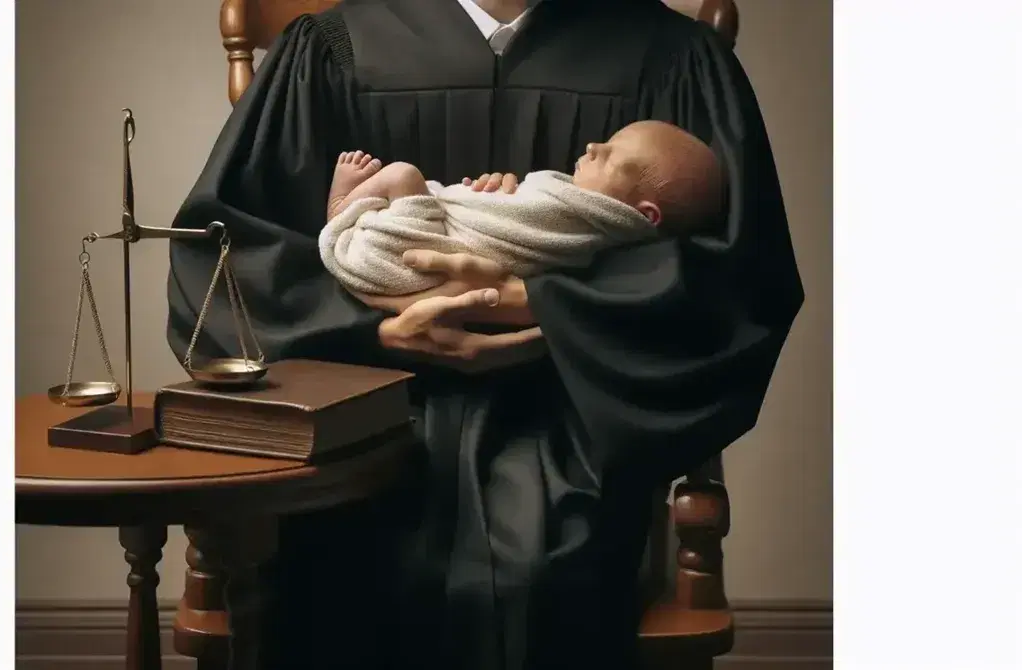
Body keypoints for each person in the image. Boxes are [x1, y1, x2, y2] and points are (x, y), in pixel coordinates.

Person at [165, 0, 804, 668]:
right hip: (360, 409)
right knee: (329, 558)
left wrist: (535, 301)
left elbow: (736, 283)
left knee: (546, 573)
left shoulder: (671, 56)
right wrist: (380, 327)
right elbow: (220, 258)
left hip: (571, 414)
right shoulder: (333, 47)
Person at [320, 120, 724, 297]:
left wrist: (527, 306)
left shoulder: (588, 226)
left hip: (403, 254)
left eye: (612, 156)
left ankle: (343, 208)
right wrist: (485, 202)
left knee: (404, 176)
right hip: (380, 365)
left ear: (646, 214)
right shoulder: (589, 227)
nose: (591, 147)